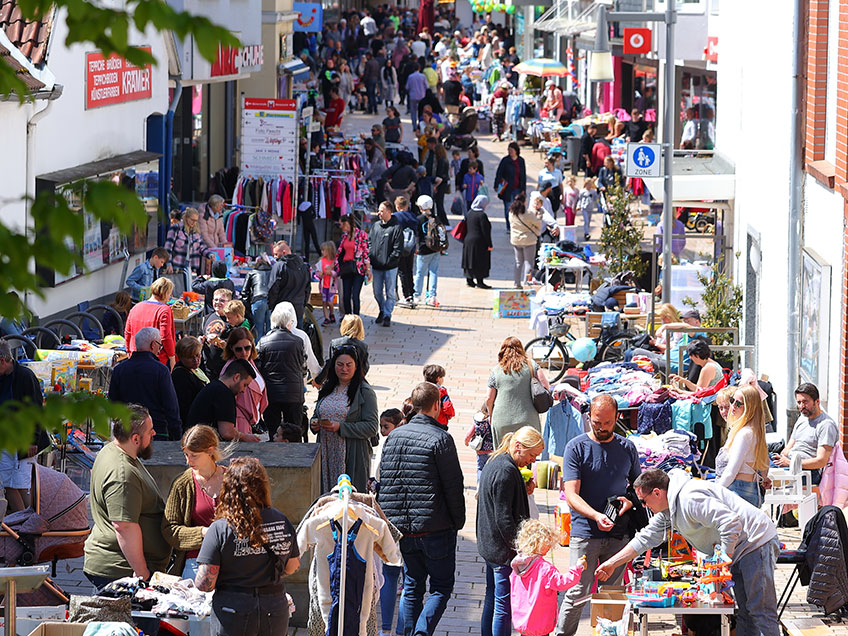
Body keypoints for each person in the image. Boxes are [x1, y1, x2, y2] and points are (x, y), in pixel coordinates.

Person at [596, 468, 781, 636]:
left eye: (644, 501)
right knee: (746, 613)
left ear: (657, 493)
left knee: (761, 612)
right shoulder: (668, 509)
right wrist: (612, 563)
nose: (644, 507)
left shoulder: (689, 498)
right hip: (741, 547)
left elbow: (731, 523)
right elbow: (645, 538)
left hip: (756, 542)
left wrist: (723, 562)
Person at [378, 382, 465, 636]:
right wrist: (457, 521)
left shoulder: (394, 436)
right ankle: (421, 632)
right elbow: (453, 486)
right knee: (440, 587)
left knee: (413, 585)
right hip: (434, 527)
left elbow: (387, 479)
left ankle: (407, 632)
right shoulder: (441, 438)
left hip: (402, 528)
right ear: (437, 405)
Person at [555, 394, 641, 636]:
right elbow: (571, 494)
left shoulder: (626, 447)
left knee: (611, 593)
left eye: (607, 423)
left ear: (617, 418)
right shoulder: (576, 447)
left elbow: (638, 487)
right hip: (585, 533)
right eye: (596, 423)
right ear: (588, 418)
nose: (602, 428)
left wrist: (629, 502)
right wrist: (595, 516)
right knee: (577, 591)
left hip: (618, 532)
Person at [195, 457, 300, 636]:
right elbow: (292, 566)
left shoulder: (220, 528)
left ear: (228, 489)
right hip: (274, 608)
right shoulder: (282, 520)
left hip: (233, 610)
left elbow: (206, 584)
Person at [84, 405, 172, 588]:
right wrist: (142, 574)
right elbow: (124, 526)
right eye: (150, 431)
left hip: (121, 568)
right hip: (120, 571)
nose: (154, 433)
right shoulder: (122, 475)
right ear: (135, 438)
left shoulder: (113, 450)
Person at [477, 426, 545, 636]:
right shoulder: (505, 471)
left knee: (493, 598)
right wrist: (521, 549)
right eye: (531, 454)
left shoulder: (498, 461)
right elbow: (504, 518)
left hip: (490, 545)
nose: (532, 461)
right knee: (503, 607)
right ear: (518, 446)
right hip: (501, 550)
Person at [310, 345, 379, 492]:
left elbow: (372, 427)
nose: (344, 369)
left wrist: (341, 427)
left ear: (356, 366)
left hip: (351, 454)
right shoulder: (327, 387)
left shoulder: (365, 392)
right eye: (340, 365)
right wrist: (314, 423)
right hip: (326, 453)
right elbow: (318, 414)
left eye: (349, 365)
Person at [163, 425, 227, 578]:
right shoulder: (183, 484)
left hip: (232, 561)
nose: (188, 460)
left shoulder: (232, 478)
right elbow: (169, 529)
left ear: (210, 450)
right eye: (186, 454)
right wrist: (203, 533)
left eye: (194, 455)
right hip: (196, 562)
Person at [511, 520, 585, 636]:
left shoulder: (518, 565)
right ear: (540, 544)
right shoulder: (544, 568)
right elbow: (562, 583)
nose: (550, 546)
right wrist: (578, 568)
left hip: (523, 621)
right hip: (540, 622)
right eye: (549, 543)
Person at [109, 327, 182, 441]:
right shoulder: (161, 370)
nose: (159, 349)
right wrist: (177, 436)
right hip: (156, 432)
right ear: (153, 344)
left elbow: (112, 405)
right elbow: (171, 407)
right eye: (159, 345)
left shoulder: (120, 369)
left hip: (128, 432)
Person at [0, 341, 44, 512]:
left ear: (3, 360)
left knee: (22, 482)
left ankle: (31, 517)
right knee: (7, 481)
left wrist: (33, 439)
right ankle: (20, 519)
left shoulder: (25, 376)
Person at [257, 303, 308, 443]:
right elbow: (303, 366)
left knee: (273, 431)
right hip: (293, 392)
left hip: (271, 393)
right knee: (293, 431)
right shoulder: (298, 341)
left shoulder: (263, 342)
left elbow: (259, 368)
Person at [486, 337, 550, 448]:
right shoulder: (532, 366)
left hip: (502, 419)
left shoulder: (496, 370)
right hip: (528, 419)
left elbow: (488, 398)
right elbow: (546, 386)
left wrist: (491, 415)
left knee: (504, 454)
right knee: (527, 453)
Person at [713, 384, 769, 507]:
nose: (733, 407)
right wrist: (764, 478)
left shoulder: (744, 433)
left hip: (737, 491)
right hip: (750, 490)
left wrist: (714, 492)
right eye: (732, 401)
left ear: (749, 407)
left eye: (738, 404)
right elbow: (764, 465)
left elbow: (731, 471)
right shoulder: (754, 431)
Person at [774, 382, 838, 485]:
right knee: (758, 464)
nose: (801, 406)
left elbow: (821, 461)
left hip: (808, 472)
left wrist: (791, 463)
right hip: (790, 462)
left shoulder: (826, 425)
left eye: (805, 402)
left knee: (765, 476)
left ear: (817, 401)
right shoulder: (802, 418)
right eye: (799, 402)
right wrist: (782, 459)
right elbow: (788, 448)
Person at [187, 359, 258, 442]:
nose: (243, 390)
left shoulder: (215, 387)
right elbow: (227, 432)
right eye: (245, 385)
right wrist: (247, 437)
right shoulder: (224, 393)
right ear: (236, 377)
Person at [220, 327, 268, 441]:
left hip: (251, 423)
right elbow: (224, 399)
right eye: (238, 349)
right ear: (231, 348)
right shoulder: (230, 370)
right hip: (239, 424)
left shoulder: (249, 362)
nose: (244, 353)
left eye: (247, 348)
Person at [124, 277, 176, 369]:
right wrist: (172, 357)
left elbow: (128, 332)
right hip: (157, 360)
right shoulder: (164, 310)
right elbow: (166, 337)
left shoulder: (136, 307)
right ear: (166, 293)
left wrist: (129, 352)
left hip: (135, 356)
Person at [370, 200, 404, 327]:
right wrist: (371, 256)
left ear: (389, 212)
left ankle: (387, 314)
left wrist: (389, 261)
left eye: (381, 211)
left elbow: (398, 248)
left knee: (390, 292)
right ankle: (382, 309)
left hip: (390, 267)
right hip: (377, 266)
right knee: (377, 292)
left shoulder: (396, 228)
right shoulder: (375, 226)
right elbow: (369, 242)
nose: (379, 213)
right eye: (378, 210)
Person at [268, 240, 311, 329]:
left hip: (282, 308)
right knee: (298, 336)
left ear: (284, 252)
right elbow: (307, 289)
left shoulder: (279, 266)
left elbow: (273, 288)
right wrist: (303, 304)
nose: (275, 257)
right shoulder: (304, 266)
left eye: (276, 254)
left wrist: (271, 306)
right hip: (298, 307)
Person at [336, 214, 372, 316]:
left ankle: (356, 318)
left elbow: (365, 252)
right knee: (345, 296)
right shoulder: (344, 237)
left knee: (355, 295)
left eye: (341, 224)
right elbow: (340, 253)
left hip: (358, 268)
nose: (340, 227)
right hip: (346, 268)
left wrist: (368, 269)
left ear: (346, 223)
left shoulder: (361, 235)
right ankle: (348, 317)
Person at [164, 206, 214, 276]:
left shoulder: (196, 232)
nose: (194, 223)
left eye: (196, 221)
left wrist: (210, 254)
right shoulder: (175, 228)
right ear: (186, 218)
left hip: (192, 267)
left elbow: (202, 247)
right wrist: (168, 263)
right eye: (192, 220)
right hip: (177, 265)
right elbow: (168, 248)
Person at [171, 336, 208, 430]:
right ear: (181, 357)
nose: (196, 360)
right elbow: (184, 408)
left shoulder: (194, 369)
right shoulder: (180, 375)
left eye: (197, 355)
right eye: (190, 357)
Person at [413, 194, 443, 307]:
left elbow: (417, 235)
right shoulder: (436, 218)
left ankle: (416, 295)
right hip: (435, 249)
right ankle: (431, 296)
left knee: (420, 273)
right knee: (433, 272)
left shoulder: (419, 219)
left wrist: (416, 247)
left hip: (423, 249)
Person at [462, 194, 493, 289]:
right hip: (479, 242)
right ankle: (480, 281)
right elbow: (485, 231)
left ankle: (469, 280)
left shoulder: (469, 213)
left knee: (470, 260)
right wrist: (489, 244)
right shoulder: (482, 215)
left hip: (468, 241)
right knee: (480, 261)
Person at [509, 195, 540, 288]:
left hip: (516, 240)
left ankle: (516, 283)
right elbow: (538, 223)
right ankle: (526, 283)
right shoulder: (528, 213)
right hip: (529, 240)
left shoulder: (511, 212)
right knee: (529, 263)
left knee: (518, 263)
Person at [495, 142, 527, 232]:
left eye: (512, 150)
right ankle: (509, 227)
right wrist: (496, 184)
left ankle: (517, 225)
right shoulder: (505, 160)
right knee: (508, 208)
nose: (510, 152)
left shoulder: (521, 161)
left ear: (516, 151)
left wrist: (523, 189)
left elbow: (523, 175)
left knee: (518, 208)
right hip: (507, 189)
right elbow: (499, 173)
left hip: (518, 188)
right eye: (509, 150)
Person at [241, 254, 274, 340]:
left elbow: (244, 292)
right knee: (270, 329)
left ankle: (257, 351)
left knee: (258, 330)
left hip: (257, 300)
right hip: (271, 301)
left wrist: (247, 308)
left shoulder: (252, 273)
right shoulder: (273, 272)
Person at [394, 195, 419, 305]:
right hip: (411, 246)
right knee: (409, 270)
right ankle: (411, 292)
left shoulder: (395, 217)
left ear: (398, 206)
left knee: (402, 271)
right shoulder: (413, 216)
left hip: (399, 247)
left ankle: (406, 295)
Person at [424, 138, 451, 226]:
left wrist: (435, 186)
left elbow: (441, 176)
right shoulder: (441, 159)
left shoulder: (442, 161)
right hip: (438, 183)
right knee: (435, 204)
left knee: (439, 204)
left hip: (439, 184)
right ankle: (437, 221)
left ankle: (444, 222)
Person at [317, 241, 339, 326]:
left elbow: (337, 273)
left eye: (324, 250)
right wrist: (320, 274)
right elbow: (317, 273)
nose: (322, 252)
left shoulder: (334, 262)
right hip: (323, 286)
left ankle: (332, 313)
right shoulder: (321, 261)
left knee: (330, 302)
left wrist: (332, 273)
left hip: (331, 287)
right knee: (324, 302)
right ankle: (326, 318)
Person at [405, 63, 428, 129]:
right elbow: (427, 86)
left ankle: (414, 126)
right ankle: (421, 125)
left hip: (413, 96)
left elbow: (407, 87)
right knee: (422, 111)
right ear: (419, 68)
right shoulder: (423, 76)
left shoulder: (410, 76)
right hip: (422, 96)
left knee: (413, 112)